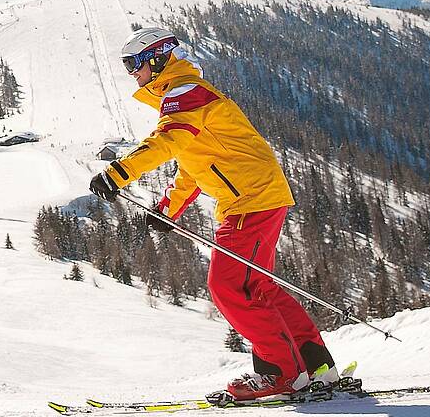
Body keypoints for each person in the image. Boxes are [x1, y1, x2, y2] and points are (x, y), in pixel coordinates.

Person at [88, 28, 342, 403]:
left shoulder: (185, 94)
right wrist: (168, 209)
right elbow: (193, 164)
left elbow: (166, 142)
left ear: (156, 59)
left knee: (230, 287)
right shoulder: (182, 96)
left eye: (133, 65)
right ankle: (314, 364)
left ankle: (282, 373)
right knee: (257, 287)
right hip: (254, 197)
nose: (131, 74)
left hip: (251, 201)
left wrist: (118, 173)